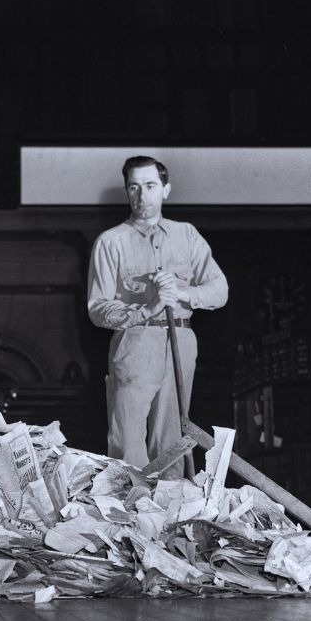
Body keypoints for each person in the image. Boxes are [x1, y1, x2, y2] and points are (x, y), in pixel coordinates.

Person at [86, 156, 228, 474]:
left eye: (150, 186)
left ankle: (167, 515)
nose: (141, 195)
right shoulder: (111, 242)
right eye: (134, 187)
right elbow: (98, 308)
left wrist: (181, 292)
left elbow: (220, 290)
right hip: (136, 342)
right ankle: (129, 515)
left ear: (165, 190)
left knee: (171, 439)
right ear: (126, 191)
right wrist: (145, 309)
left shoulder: (187, 235)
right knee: (127, 441)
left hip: (181, 337)